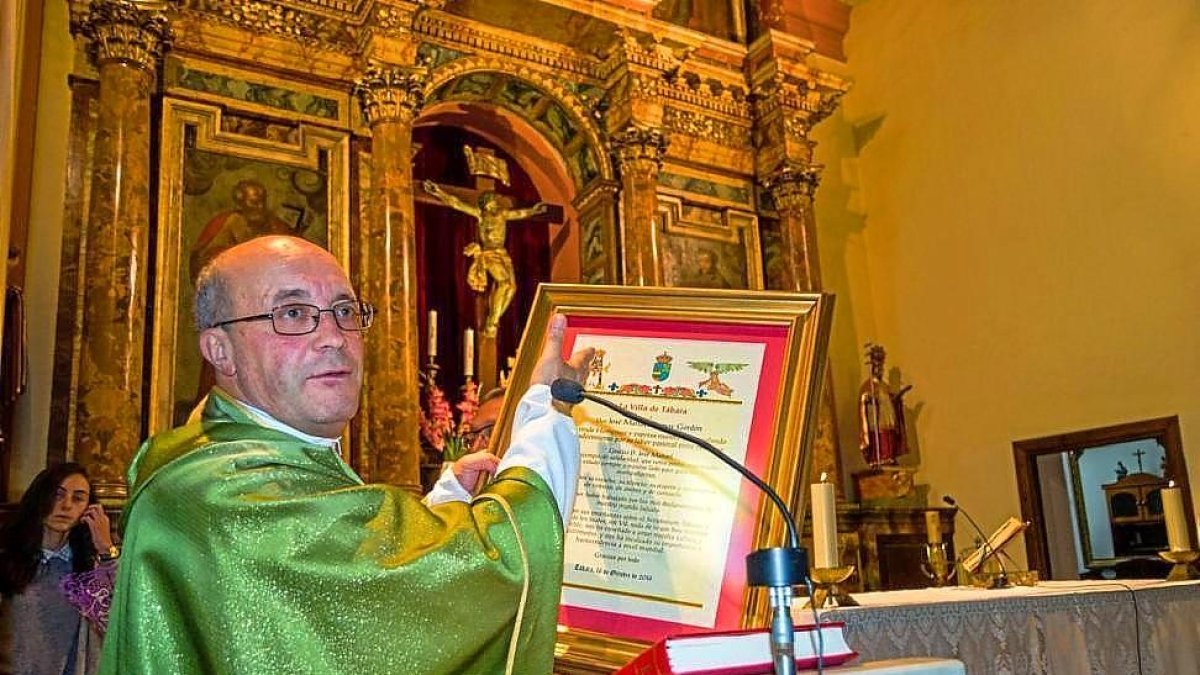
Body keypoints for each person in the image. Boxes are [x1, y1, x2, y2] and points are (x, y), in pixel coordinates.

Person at [99, 235, 593, 674]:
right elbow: (490, 568)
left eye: (345, 311)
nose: (334, 337)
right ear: (219, 350)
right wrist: (547, 412)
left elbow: (352, 600)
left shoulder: (226, 455)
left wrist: (443, 508)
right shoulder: (222, 494)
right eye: (292, 314)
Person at [0, 463, 118, 675]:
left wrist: (105, 549)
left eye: (78, 498)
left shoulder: (91, 566)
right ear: (40, 499)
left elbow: (118, 622)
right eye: (57, 495)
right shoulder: (8, 559)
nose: (66, 506)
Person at [423, 180, 547, 337]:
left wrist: (533, 211)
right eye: (493, 200)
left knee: (512, 288)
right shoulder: (481, 215)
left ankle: (494, 318)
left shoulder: (502, 214)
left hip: (502, 253)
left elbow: (519, 214)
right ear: (486, 203)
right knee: (504, 283)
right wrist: (439, 192)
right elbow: (456, 203)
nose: (496, 202)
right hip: (489, 254)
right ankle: (492, 322)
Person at [858, 343, 913, 467]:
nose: (880, 371)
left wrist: (898, 398)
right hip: (876, 422)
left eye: (881, 368)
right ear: (873, 368)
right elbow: (863, 402)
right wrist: (868, 399)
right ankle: (878, 458)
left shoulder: (885, 386)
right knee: (880, 437)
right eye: (878, 367)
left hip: (887, 419)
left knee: (889, 435)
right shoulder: (868, 386)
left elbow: (892, 401)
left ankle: (889, 456)